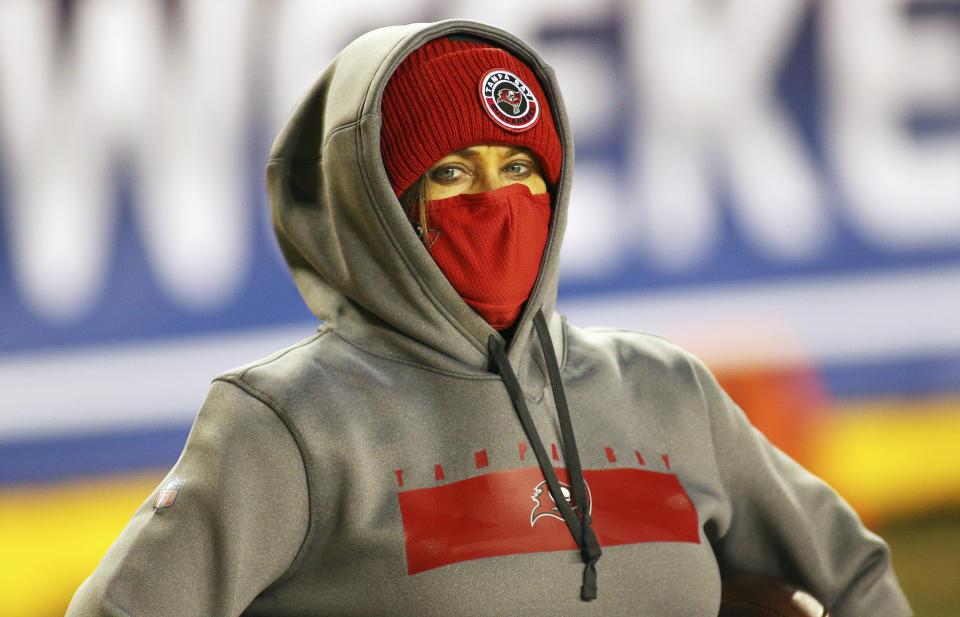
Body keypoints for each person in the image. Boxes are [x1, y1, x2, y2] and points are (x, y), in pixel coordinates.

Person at [65, 19, 912, 617]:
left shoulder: (666, 389)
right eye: (451, 174)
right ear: (382, 206)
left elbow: (855, 572)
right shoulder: (286, 423)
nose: (497, 202)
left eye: (519, 167)